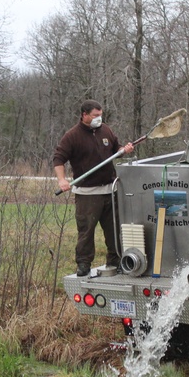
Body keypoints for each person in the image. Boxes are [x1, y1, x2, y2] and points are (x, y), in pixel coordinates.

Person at [53, 100, 134, 277]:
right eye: (95, 116)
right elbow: (58, 159)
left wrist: (123, 150)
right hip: (87, 194)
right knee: (86, 232)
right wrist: (62, 180)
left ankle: (115, 260)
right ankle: (83, 264)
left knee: (114, 230)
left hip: (110, 191)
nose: (99, 118)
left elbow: (116, 148)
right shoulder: (72, 136)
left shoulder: (106, 130)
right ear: (84, 115)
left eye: (100, 115)